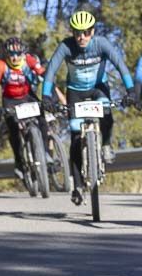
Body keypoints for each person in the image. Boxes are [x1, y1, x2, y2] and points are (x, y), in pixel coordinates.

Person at [41, 11, 135, 205]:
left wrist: (131, 90)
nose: (81, 37)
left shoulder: (101, 44)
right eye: (77, 33)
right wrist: (46, 96)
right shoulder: (66, 46)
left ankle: (106, 144)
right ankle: (77, 185)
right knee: (76, 135)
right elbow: (51, 71)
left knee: (107, 111)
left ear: (92, 31)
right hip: (75, 91)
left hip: (98, 89)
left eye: (85, 32)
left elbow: (120, 65)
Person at [0, 36, 52, 180]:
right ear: (6, 54)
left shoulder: (28, 60)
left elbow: (44, 73)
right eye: (11, 55)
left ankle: (46, 153)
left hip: (27, 95)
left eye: (18, 54)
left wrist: (48, 95)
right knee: (13, 129)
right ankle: (19, 162)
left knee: (42, 118)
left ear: (23, 53)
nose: (15, 58)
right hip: (10, 100)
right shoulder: (1, 64)